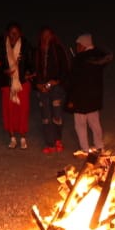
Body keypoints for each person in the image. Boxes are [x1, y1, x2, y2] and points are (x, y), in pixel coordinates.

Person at [65, 33, 114, 152]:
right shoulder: (98, 58)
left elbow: (73, 81)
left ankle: (85, 148)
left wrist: (70, 99)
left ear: (83, 45)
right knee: (95, 124)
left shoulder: (79, 59)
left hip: (80, 98)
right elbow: (109, 55)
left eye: (78, 45)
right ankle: (99, 146)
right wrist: (95, 48)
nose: (76, 47)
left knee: (81, 125)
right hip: (93, 97)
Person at [0, 21, 34, 150]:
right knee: (9, 110)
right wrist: (4, 71)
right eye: (11, 33)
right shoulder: (1, 46)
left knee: (23, 110)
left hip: (22, 84)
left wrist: (28, 73)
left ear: (20, 33)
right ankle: (12, 137)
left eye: (16, 33)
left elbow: (32, 64)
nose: (13, 35)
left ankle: (23, 137)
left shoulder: (26, 46)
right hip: (7, 84)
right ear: (7, 34)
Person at [33, 25, 72, 153]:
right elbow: (32, 72)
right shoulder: (37, 51)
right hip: (42, 89)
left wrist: (56, 81)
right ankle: (49, 143)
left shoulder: (58, 50)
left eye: (48, 35)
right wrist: (37, 85)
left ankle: (57, 140)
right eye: (44, 36)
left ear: (52, 36)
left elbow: (65, 69)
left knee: (57, 114)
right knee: (46, 116)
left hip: (56, 88)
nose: (46, 38)